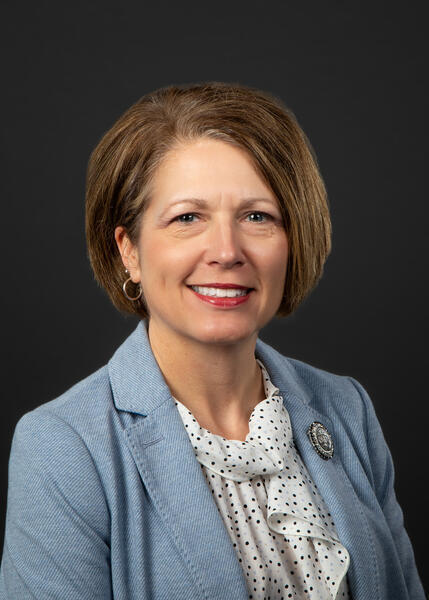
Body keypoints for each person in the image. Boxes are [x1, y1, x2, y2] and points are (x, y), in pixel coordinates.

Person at [0, 81, 424, 600]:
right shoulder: (63, 449)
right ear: (129, 250)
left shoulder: (346, 408)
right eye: (187, 217)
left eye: (257, 216)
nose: (226, 250)